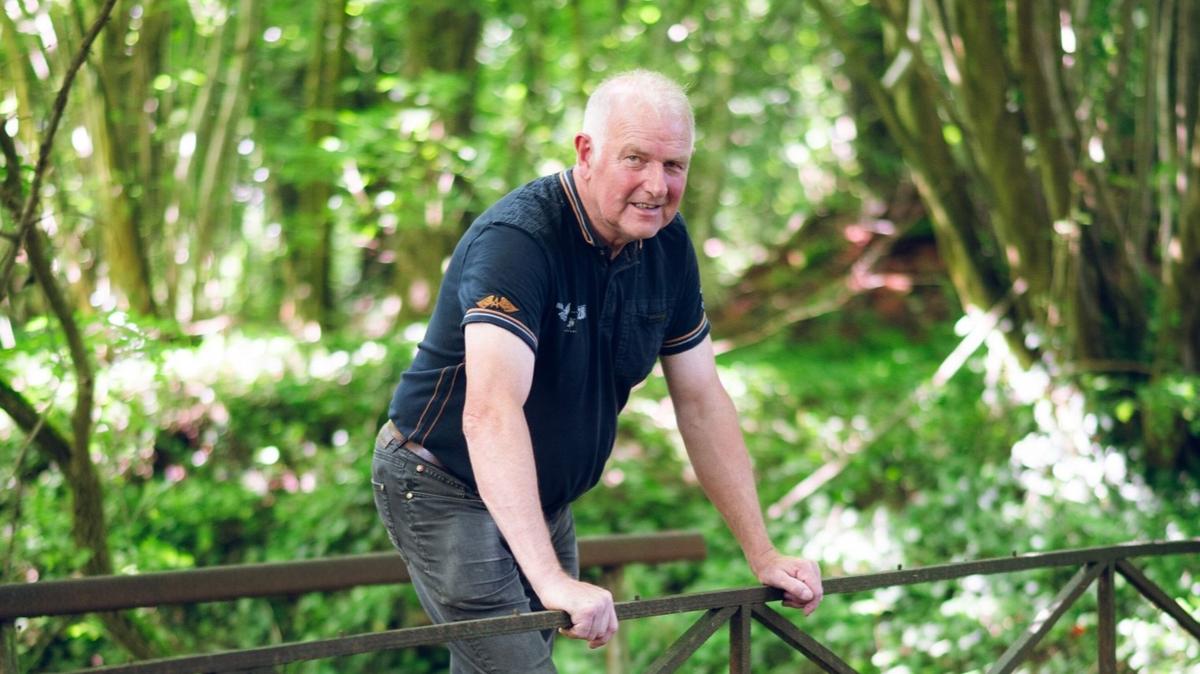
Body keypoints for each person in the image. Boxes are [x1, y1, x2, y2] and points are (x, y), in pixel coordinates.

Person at [371, 69, 822, 673]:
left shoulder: (666, 243)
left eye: (674, 165)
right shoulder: (519, 242)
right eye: (635, 159)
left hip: (543, 496)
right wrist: (553, 581)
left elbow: (701, 399)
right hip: (440, 485)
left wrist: (761, 552)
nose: (656, 186)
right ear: (586, 153)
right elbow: (490, 411)